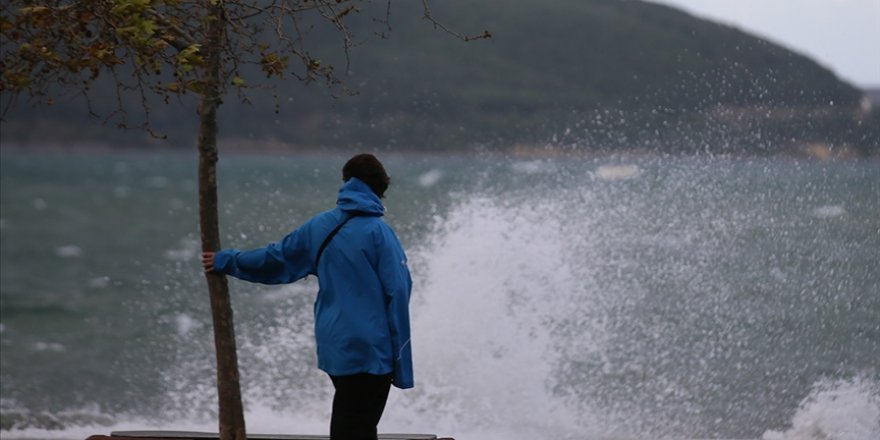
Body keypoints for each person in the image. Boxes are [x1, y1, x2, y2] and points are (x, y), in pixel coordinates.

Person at [201, 153, 413, 440]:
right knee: (356, 427)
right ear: (380, 188)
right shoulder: (379, 233)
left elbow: (275, 258)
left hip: (334, 343)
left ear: (346, 183)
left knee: (353, 419)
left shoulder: (320, 226)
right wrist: (401, 360)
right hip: (370, 347)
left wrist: (227, 260)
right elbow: (398, 292)